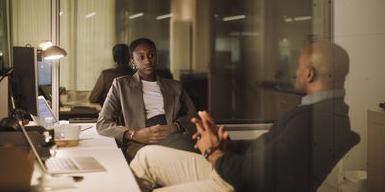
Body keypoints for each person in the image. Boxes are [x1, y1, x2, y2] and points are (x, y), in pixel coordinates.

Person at [130, 42, 360, 192]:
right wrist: (228, 146)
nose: (295, 71)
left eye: (299, 66)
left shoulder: (313, 120)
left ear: (309, 74)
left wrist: (213, 151)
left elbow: (254, 178)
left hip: (236, 182)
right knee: (147, 156)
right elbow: (272, 154)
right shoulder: (324, 112)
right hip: (235, 168)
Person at [96, 38, 197, 161]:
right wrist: (134, 135)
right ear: (133, 62)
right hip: (140, 143)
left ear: (156, 58)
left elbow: (194, 117)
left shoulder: (174, 86)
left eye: (151, 55)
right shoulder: (121, 85)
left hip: (173, 138)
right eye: (141, 57)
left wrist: (175, 127)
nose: (148, 61)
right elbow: (103, 124)